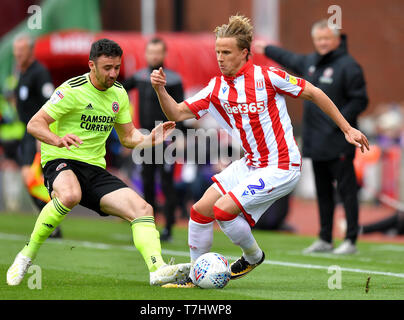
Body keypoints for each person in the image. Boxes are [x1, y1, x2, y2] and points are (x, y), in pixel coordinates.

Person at [150, 15, 369, 287]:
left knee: (223, 211)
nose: (220, 57)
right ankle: (197, 275)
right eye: (217, 51)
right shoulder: (216, 88)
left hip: (282, 165)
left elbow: (314, 92)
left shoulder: (268, 77)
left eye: (226, 52)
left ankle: (253, 256)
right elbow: (176, 112)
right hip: (251, 163)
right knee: (200, 211)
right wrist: (160, 90)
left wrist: (347, 128)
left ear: (244, 53)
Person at [6, 38, 190, 287]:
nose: (113, 73)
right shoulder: (72, 90)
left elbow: (127, 137)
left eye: (117, 67)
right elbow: (34, 124)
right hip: (61, 159)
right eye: (107, 68)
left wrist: (150, 139)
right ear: (91, 65)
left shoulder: (119, 94)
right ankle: (26, 255)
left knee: (143, 209)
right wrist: (57, 139)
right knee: (70, 195)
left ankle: (157, 269)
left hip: (94, 169)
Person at [255, 19, 369, 254]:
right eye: (319, 39)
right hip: (316, 143)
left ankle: (350, 240)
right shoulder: (310, 62)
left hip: (339, 141)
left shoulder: (349, 66)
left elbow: (360, 99)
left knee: (346, 192)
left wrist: (340, 122)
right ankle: (325, 238)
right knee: (323, 192)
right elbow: (289, 58)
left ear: (337, 39)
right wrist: (265, 49)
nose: (323, 43)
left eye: (327, 38)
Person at [123, 37, 184, 242]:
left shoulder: (173, 79)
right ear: (146, 54)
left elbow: (181, 109)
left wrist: (180, 136)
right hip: (146, 138)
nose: (154, 56)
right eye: (151, 52)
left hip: (167, 139)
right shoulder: (140, 76)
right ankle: (149, 225)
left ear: (164, 54)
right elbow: (118, 88)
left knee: (167, 183)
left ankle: (168, 227)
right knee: (147, 182)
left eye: (158, 52)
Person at [13, 33, 62, 237]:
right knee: (29, 179)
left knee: (33, 178)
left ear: (31, 51)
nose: (17, 55)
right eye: (16, 52)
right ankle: (50, 221)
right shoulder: (21, 73)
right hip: (27, 132)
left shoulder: (39, 72)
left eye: (21, 51)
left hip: (37, 133)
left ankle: (54, 217)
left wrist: (42, 135)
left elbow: (50, 103)